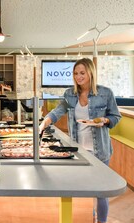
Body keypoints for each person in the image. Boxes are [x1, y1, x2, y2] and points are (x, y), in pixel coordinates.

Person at [39, 58, 121, 223]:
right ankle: (88, 217)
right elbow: (57, 111)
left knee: (100, 191)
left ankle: (101, 221)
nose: (78, 76)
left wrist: (103, 121)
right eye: (76, 73)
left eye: (82, 73)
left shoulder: (106, 93)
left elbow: (115, 116)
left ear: (91, 73)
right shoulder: (70, 94)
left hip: (100, 150)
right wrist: (43, 123)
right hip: (78, 151)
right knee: (84, 188)